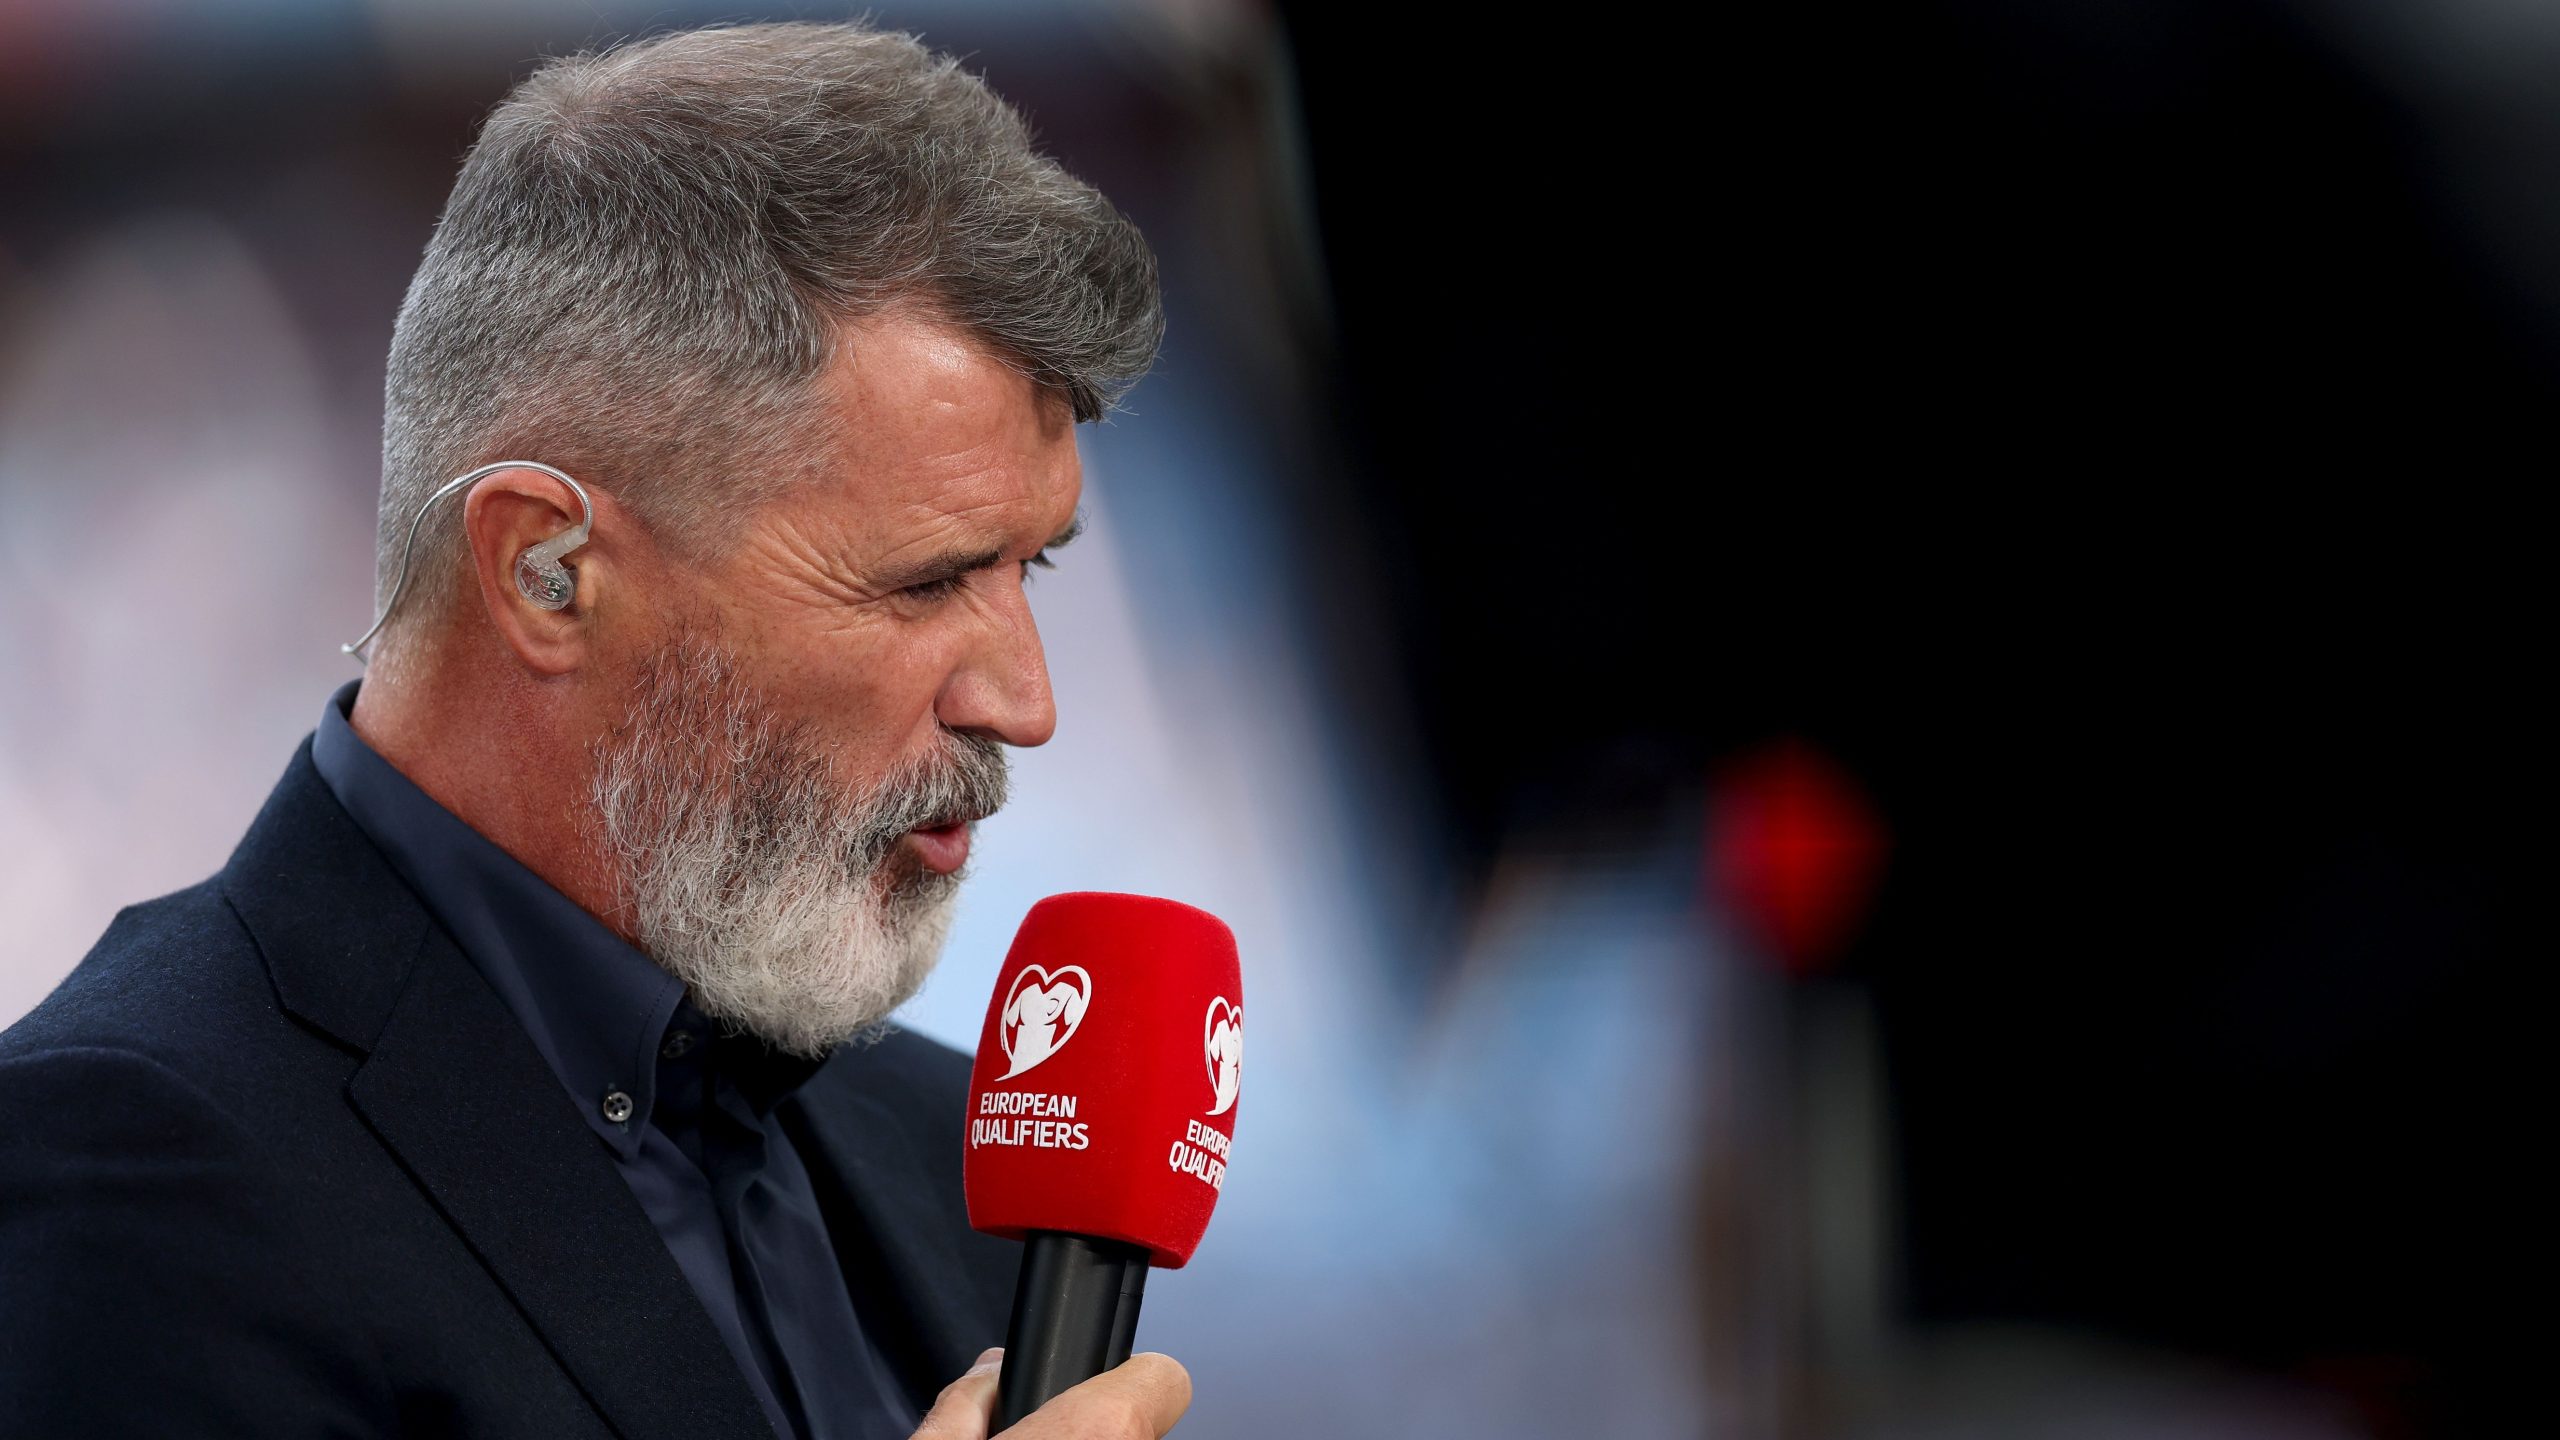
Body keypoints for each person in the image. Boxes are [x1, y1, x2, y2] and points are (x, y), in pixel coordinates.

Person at [0, 20, 1188, 1440]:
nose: (1027, 703)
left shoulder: (954, 1153)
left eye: (1030, 569)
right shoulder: (133, 1169)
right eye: (927, 582)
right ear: (543, 574)